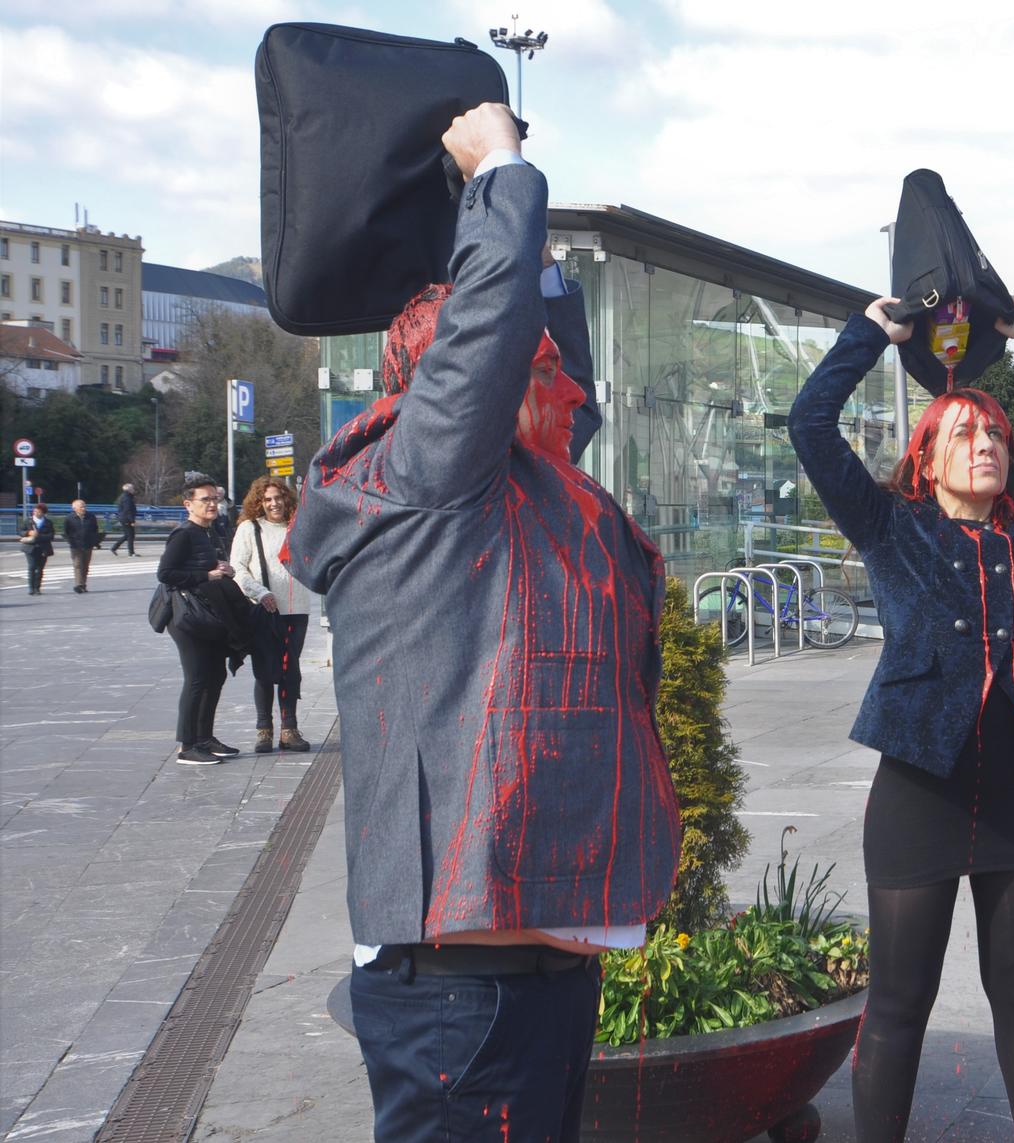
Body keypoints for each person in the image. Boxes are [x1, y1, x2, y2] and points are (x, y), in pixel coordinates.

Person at [285, 103, 676, 1141]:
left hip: (535, 971)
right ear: (460, 384)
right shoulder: (424, 483)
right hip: (460, 995)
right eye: (530, 372)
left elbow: (563, 376)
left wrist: (538, 259)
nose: (562, 393)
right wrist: (500, 170)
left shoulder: (526, 486)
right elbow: (494, 345)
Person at [790, 287, 1014, 1142]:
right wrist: (871, 334)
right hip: (919, 796)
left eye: (994, 436)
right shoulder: (888, 526)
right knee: (901, 1001)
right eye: (964, 435)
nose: (985, 445)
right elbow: (810, 424)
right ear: (927, 458)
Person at [157, 475, 255, 765]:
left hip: (207, 615)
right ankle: (187, 746)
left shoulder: (209, 532)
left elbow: (205, 566)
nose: (212, 504)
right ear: (189, 504)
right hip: (187, 617)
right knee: (197, 678)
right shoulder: (184, 533)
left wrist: (223, 569)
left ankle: (204, 738)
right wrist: (206, 575)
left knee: (216, 675)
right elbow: (165, 574)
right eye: (206, 499)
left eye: (215, 499)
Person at [230, 476, 314, 754]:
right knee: (265, 670)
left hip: (296, 609)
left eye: (278, 497)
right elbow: (237, 568)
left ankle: (289, 729)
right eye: (267, 499)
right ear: (259, 502)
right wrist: (259, 591)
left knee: (291, 669)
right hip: (264, 609)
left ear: (286, 498)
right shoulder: (249, 529)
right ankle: (263, 730)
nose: (274, 503)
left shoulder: (298, 527)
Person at [63, 498, 103, 593]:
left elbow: (95, 530)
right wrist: (71, 542)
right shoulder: (69, 518)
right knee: (78, 565)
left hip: (88, 544)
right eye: (81, 507)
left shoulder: (91, 517)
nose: (83, 508)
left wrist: (95, 542)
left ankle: (83, 584)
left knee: (85, 566)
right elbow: (66, 532)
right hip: (75, 546)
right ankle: (78, 584)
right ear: (74, 508)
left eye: (84, 506)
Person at [17, 502, 53, 595]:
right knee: (32, 566)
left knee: (40, 568)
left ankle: (37, 588)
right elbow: (20, 531)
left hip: (43, 548)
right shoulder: (28, 521)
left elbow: (51, 536)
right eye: (35, 511)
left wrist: (39, 536)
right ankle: (31, 588)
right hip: (30, 547)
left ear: (43, 513)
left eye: (39, 511)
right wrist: (29, 533)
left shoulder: (48, 522)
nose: (36, 513)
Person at [113, 484, 139, 555]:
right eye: (133, 488)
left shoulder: (124, 496)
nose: (134, 490)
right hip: (126, 519)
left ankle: (114, 548)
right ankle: (131, 552)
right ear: (129, 490)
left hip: (123, 518)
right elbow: (128, 510)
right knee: (130, 535)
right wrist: (132, 521)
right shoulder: (127, 498)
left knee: (127, 535)